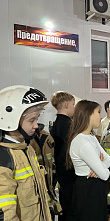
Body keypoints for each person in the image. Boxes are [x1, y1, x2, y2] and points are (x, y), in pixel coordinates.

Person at [0, 85, 51, 220]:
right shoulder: (5, 157)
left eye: (37, 119)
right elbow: (6, 213)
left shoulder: (27, 149)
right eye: (31, 120)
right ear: (11, 120)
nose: (36, 125)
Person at [66, 100, 110, 221]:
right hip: (88, 191)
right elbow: (105, 174)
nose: (101, 116)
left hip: (95, 188)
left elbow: (108, 158)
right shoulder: (82, 142)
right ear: (88, 114)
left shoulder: (91, 137)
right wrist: (100, 167)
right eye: (98, 112)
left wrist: (99, 166)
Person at [50, 91, 76, 221]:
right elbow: (71, 151)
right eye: (73, 104)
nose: (74, 107)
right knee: (71, 209)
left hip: (61, 171)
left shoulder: (57, 123)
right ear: (66, 105)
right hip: (69, 173)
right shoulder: (67, 125)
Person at [30, 123, 62, 217]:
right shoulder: (24, 143)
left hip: (49, 181)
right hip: (35, 189)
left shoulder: (47, 137)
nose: (35, 125)